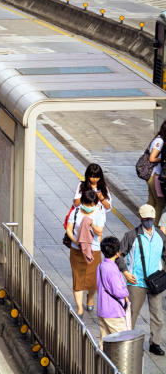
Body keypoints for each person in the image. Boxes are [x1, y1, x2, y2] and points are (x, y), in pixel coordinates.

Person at [117, 203, 166, 355]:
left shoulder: (160, 235)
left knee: (157, 315)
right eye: (146, 219)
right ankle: (126, 342)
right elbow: (118, 255)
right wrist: (125, 272)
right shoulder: (131, 235)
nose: (149, 221)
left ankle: (155, 343)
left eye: (151, 218)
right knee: (132, 313)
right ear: (140, 218)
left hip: (156, 281)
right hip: (136, 282)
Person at [65, 190, 103, 316]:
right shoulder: (76, 212)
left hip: (94, 250)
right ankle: (80, 307)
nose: (89, 207)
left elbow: (99, 232)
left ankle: (90, 299)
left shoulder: (98, 213)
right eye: (87, 204)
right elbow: (69, 229)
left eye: (91, 204)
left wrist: (91, 224)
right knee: (78, 278)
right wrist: (76, 241)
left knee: (93, 279)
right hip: (77, 250)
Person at [96, 237, 131, 343]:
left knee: (104, 342)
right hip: (113, 312)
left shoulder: (101, 265)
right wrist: (126, 291)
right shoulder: (112, 270)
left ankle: (101, 359)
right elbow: (118, 292)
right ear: (117, 253)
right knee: (122, 342)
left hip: (102, 308)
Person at [146, 121, 166, 224]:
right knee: (160, 202)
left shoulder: (158, 138)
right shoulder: (160, 141)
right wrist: (162, 159)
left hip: (152, 175)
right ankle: (155, 226)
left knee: (152, 200)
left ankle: (145, 223)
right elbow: (152, 158)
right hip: (156, 176)